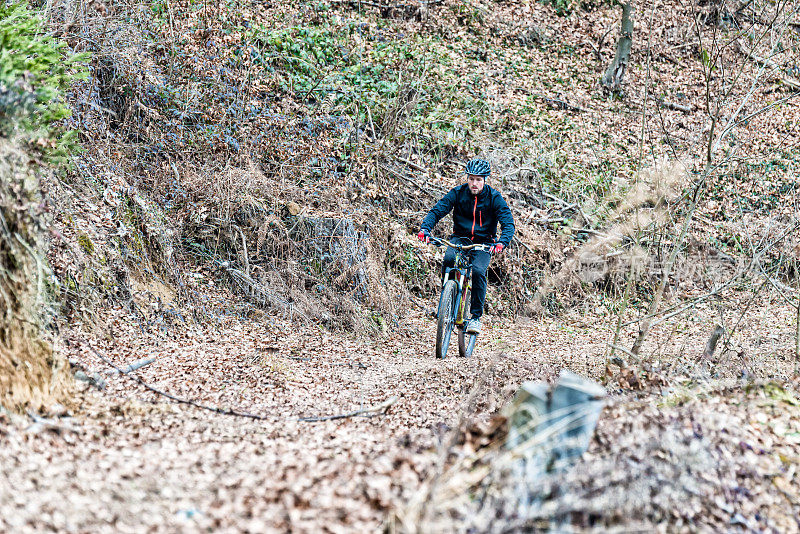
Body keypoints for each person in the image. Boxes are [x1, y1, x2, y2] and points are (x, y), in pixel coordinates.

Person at [417, 158, 515, 334]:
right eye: (471, 179)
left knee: (478, 271)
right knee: (448, 259)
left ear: (485, 180)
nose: (474, 183)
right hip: (460, 238)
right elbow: (438, 210)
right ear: (467, 178)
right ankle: (446, 301)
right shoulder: (458, 193)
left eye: (478, 179)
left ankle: (475, 317)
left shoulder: (494, 198)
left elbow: (508, 223)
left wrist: (501, 242)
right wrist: (425, 228)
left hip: (485, 243)